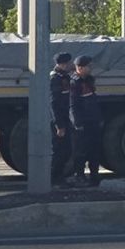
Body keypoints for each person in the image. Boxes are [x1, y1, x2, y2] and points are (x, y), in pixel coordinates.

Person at [69, 55, 103, 187]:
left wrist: (99, 118)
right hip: (82, 123)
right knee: (80, 151)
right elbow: (73, 105)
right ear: (80, 68)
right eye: (88, 66)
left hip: (93, 121)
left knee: (94, 149)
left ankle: (94, 175)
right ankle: (80, 175)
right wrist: (77, 123)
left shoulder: (88, 80)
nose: (91, 68)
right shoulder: (75, 82)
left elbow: (93, 101)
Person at [49, 51, 74, 187]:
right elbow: (54, 103)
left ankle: (59, 177)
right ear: (62, 64)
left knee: (66, 150)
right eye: (68, 63)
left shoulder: (65, 77)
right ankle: (54, 178)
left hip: (65, 118)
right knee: (60, 151)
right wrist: (59, 125)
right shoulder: (56, 79)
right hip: (59, 120)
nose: (70, 65)